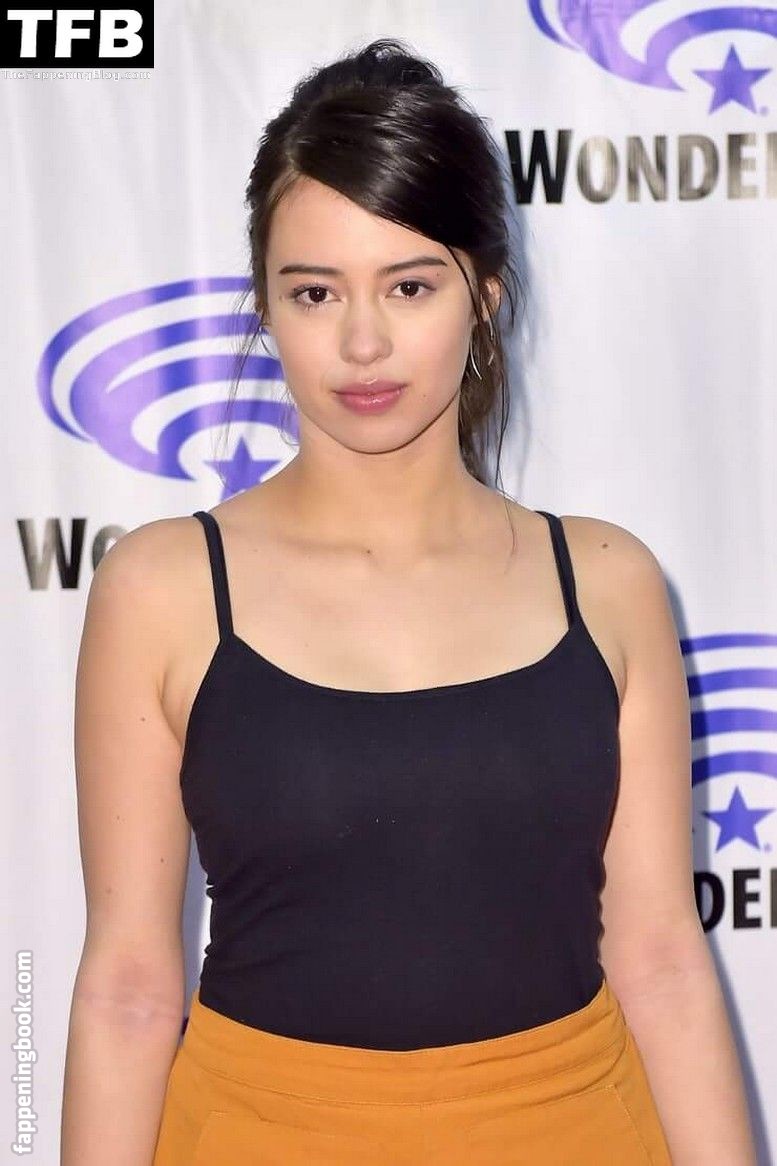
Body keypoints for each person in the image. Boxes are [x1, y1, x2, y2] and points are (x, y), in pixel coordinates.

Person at [60, 37, 756, 1166]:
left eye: (410, 285)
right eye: (315, 291)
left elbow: (664, 958)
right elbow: (129, 988)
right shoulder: (160, 588)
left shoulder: (609, 581)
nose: (363, 341)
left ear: (484, 296)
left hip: (577, 1129)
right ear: (265, 307)